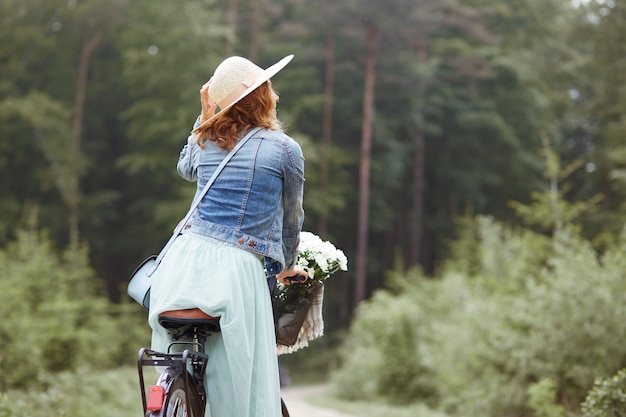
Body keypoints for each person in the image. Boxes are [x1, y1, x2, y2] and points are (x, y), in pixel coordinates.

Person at [147, 54, 306, 417]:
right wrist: (286, 265)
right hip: (235, 272)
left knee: (188, 353)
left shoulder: (208, 140)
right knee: (247, 369)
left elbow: (185, 168)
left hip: (181, 265)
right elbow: (291, 220)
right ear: (263, 95)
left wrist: (205, 115)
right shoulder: (285, 150)